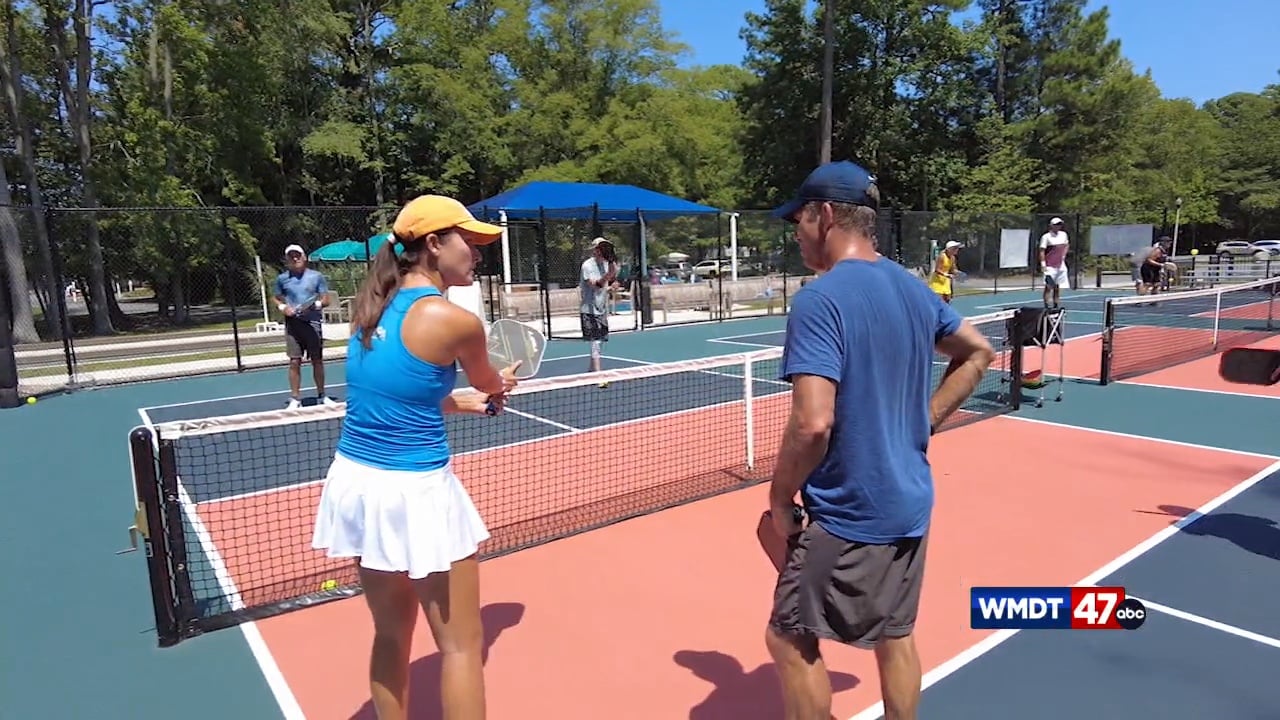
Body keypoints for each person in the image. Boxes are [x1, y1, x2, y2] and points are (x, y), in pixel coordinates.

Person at [765, 160, 996, 720]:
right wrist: (924, 421)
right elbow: (979, 351)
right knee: (895, 633)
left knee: (789, 638)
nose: (795, 232)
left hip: (852, 510)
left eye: (798, 219)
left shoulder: (820, 299)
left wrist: (778, 498)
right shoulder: (913, 289)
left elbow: (812, 424)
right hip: (910, 501)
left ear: (825, 215)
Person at [310, 195, 521, 720]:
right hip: (416, 491)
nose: (476, 253)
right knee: (462, 647)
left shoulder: (370, 308)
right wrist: (498, 385)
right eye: (468, 241)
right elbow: (490, 381)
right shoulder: (454, 321)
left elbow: (393, 393)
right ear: (433, 245)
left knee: (390, 633)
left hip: (355, 481)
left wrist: (454, 401)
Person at [273, 244, 334, 409]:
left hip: (313, 324)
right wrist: (283, 307)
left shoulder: (316, 277)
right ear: (287, 259)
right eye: (291, 256)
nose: (295, 258)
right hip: (293, 325)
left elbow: (326, 299)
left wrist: (315, 305)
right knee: (294, 361)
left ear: (304, 257)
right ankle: (295, 399)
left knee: (317, 360)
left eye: (297, 255)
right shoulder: (282, 279)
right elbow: (276, 297)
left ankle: (322, 395)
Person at [580, 237, 618, 376]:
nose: (603, 251)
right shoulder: (587, 266)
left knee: (600, 340)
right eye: (601, 248)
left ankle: (591, 370)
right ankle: (597, 374)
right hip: (589, 309)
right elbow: (595, 286)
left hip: (601, 308)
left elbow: (609, 281)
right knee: (595, 341)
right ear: (595, 250)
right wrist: (608, 276)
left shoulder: (607, 265)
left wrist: (612, 284)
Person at [1039, 217, 1070, 308]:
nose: (1058, 226)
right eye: (1056, 225)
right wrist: (1043, 265)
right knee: (1049, 286)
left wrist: (1063, 255)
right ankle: (1047, 306)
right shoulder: (1046, 237)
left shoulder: (1063, 234)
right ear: (1051, 226)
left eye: (1059, 224)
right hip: (1049, 266)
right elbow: (1041, 251)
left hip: (1060, 265)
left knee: (1057, 287)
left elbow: (1067, 245)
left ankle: (1056, 305)